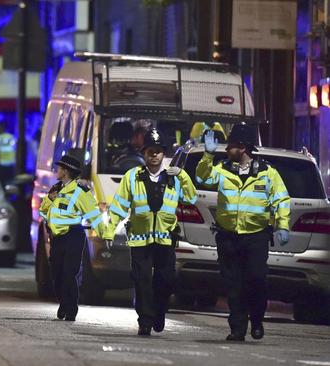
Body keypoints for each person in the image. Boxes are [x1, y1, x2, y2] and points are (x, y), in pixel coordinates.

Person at [197, 124, 290, 342]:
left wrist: (283, 226)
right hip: (228, 235)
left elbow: (281, 200)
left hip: (256, 236)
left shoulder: (268, 173)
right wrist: (208, 155)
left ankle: (256, 320)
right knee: (233, 284)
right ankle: (237, 328)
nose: (227, 149)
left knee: (257, 279)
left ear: (243, 146)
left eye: (231, 145)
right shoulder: (223, 169)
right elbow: (202, 177)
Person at [105, 128, 197, 336]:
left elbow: (191, 198)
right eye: (150, 151)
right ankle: (145, 321)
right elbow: (118, 206)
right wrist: (109, 230)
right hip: (140, 240)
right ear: (143, 153)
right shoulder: (133, 177)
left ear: (164, 154)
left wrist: (183, 176)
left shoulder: (174, 178)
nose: (154, 155)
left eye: (158, 151)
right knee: (142, 281)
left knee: (165, 281)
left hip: (165, 240)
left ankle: (159, 311)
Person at [39, 154, 107, 321]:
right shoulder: (55, 189)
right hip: (56, 237)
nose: (57, 170)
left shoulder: (80, 192)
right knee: (56, 274)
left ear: (67, 172)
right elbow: (42, 211)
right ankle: (64, 303)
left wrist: (105, 233)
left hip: (73, 235)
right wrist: (49, 199)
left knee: (69, 273)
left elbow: (93, 214)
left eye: (60, 168)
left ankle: (70, 309)